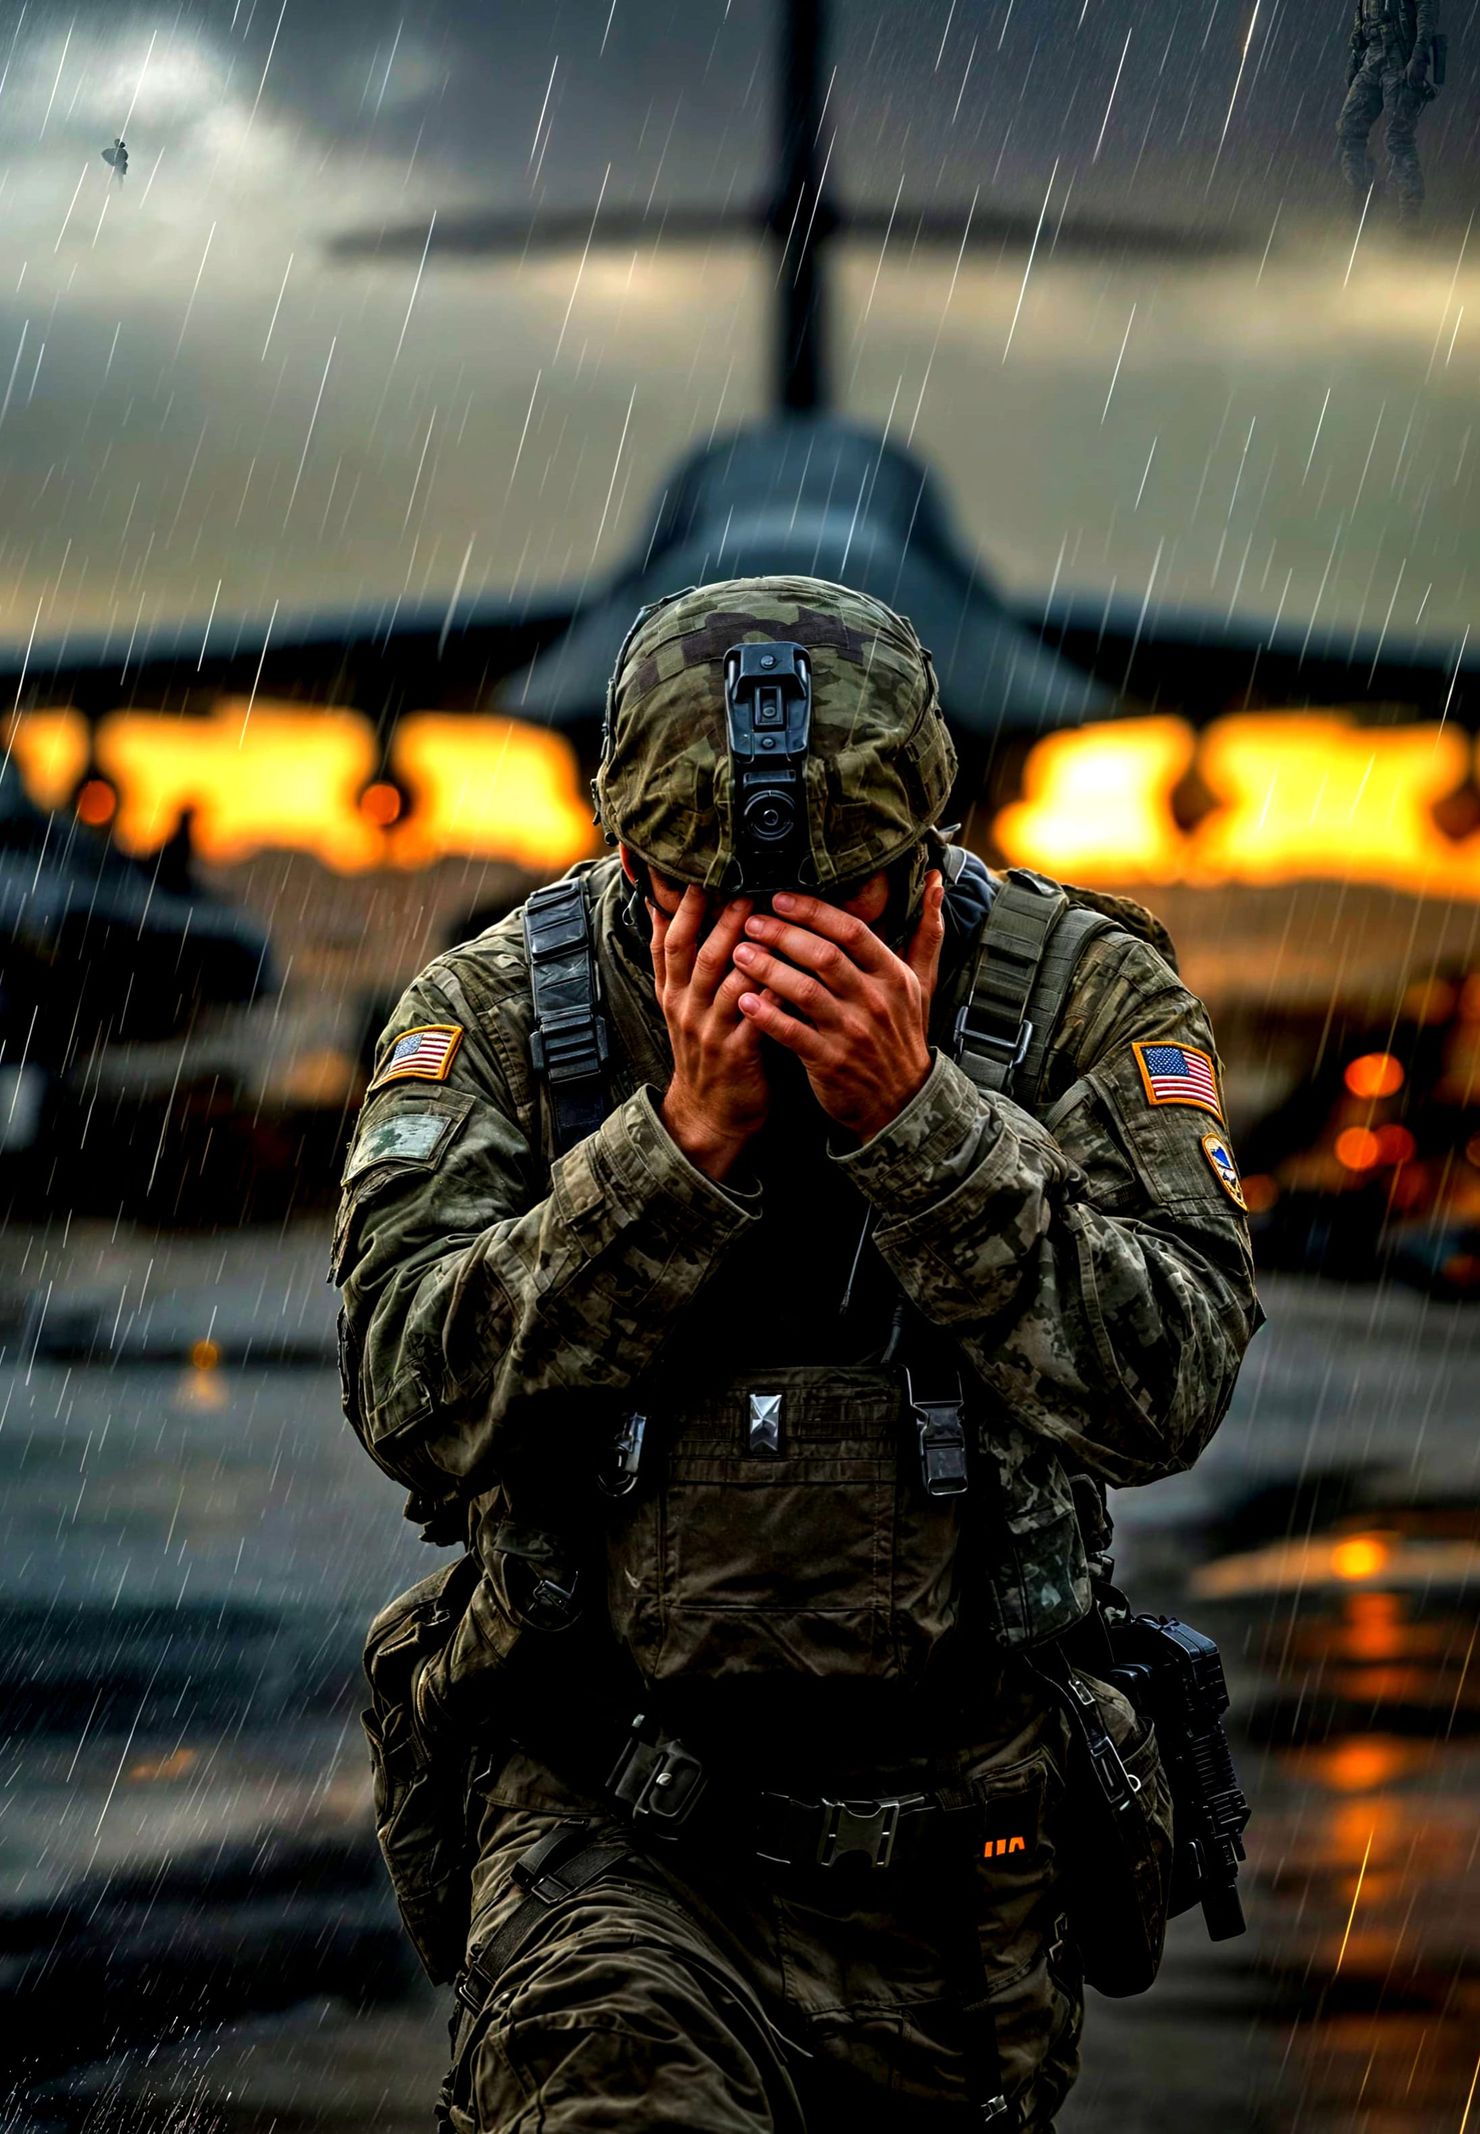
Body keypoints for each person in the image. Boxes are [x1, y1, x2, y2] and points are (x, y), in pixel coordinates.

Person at [333, 576, 1263, 2131]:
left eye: (847, 912)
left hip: (958, 1874)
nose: (776, 959)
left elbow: (1166, 1379)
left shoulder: (1076, 999)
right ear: (629, 858)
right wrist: (672, 1152)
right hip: (611, 1836)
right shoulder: (506, 1010)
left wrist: (925, 1129)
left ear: (932, 850)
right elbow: (409, 1389)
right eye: (711, 910)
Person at [1337, 0, 1442, 229]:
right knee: (1349, 128)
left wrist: (1418, 54)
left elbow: (1427, 8)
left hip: (1399, 55)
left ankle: (1410, 215)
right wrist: (1355, 56)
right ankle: (1362, 195)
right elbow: (1363, 14)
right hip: (1371, 55)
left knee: (1398, 138)